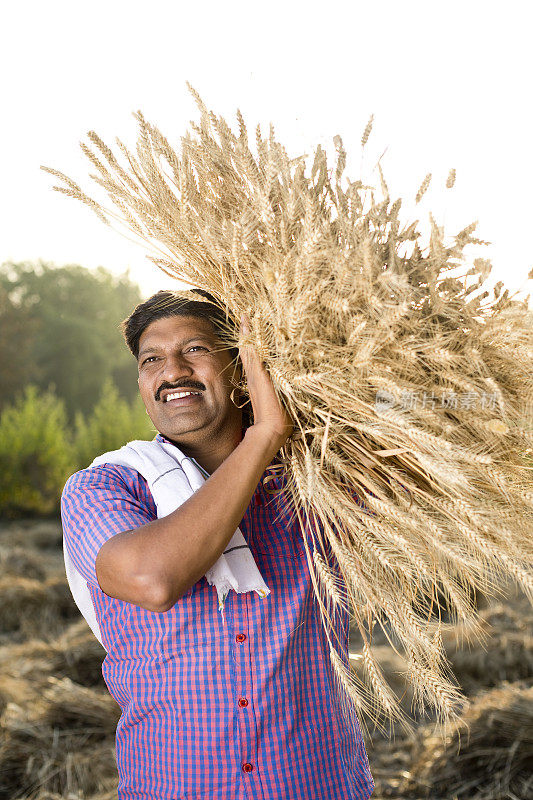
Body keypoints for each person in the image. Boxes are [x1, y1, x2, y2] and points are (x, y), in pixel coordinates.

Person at [61, 289, 375, 800]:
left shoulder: (320, 483)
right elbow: (152, 579)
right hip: (173, 788)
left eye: (195, 350)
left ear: (242, 364)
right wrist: (263, 436)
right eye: (151, 360)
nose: (172, 372)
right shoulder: (105, 488)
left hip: (319, 785)